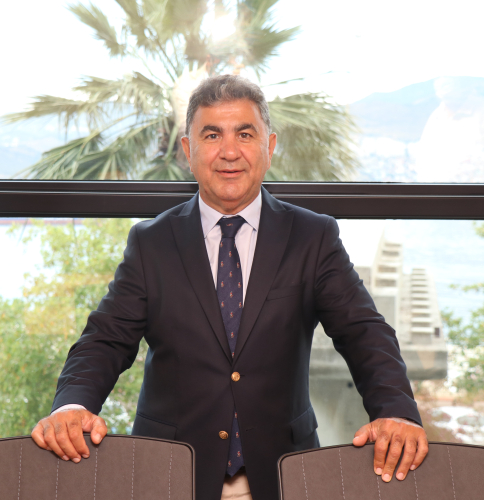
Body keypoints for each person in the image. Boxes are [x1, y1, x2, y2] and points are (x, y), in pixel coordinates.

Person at [31, 75, 428, 500]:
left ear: (269, 146)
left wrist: (396, 412)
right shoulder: (151, 242)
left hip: (283, 475)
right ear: (188, 150)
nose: (229, 151)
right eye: (212, 135)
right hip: (171, 477)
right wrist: (73, 406)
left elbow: (363, 331)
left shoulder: (313, 237)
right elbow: (105, 339)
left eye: (245, 134)